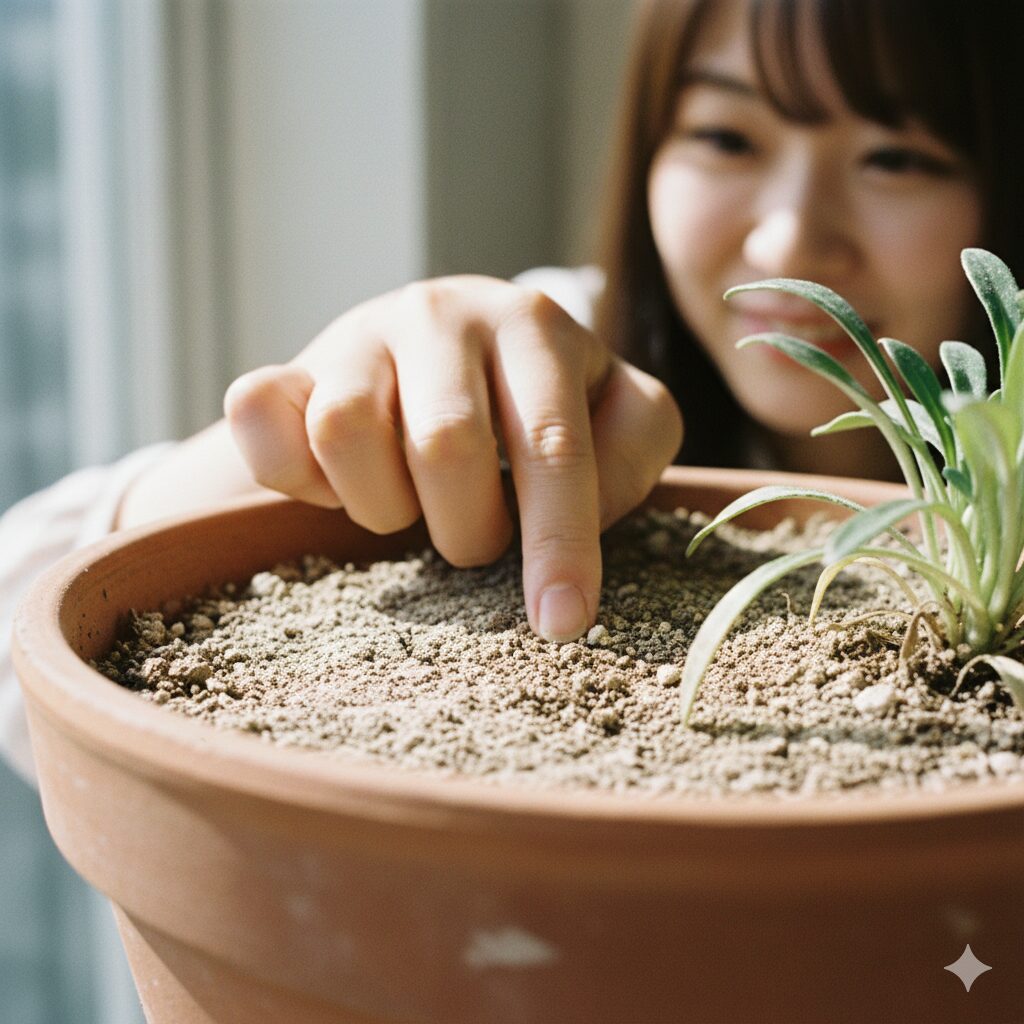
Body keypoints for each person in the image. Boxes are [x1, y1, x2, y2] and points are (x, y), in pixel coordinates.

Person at [1, 0, 1021, 783]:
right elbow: (23, 644)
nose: (788, 239)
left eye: (897, 157)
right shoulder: (560, 368)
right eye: (725, 137)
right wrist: (313, 431)